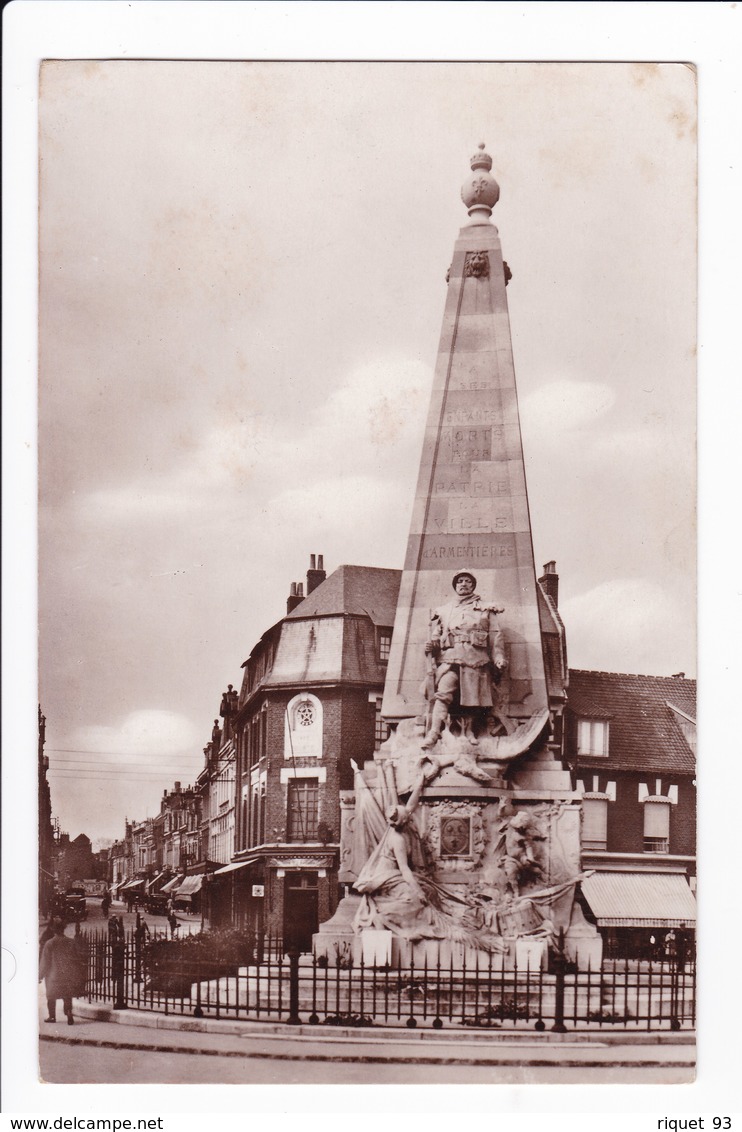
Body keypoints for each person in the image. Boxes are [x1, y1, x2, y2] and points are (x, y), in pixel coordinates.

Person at [421, 571, 507, 749]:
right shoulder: (444, 610)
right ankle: (434, 733)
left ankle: (469, 732)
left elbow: (495, 638)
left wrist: (499, 658)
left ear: (473, 585)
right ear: (455, 585)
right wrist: (431, 645)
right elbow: (437, 637)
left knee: (471, 699)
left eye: (468, 581)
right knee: (443, 693)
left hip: (476, 659)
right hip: (450, 659)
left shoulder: (486, 609)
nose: (464, 584)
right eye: (460, 581)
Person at [39, 920, 86, 1025]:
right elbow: (76, 958)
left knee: (51, 996)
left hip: (53, 975)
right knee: (67, 995)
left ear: (53, 930)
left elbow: (45, 962)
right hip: (68, 974)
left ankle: (52, 1016)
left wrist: (40, 975)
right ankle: (69, 1012)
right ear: (63, 929)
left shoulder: (49, 943)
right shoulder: (71, 942)